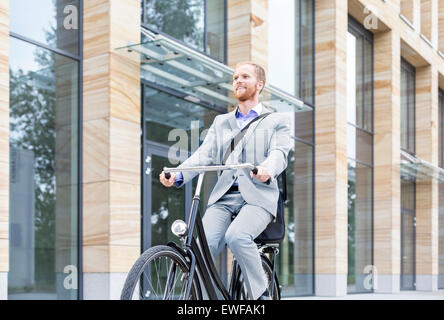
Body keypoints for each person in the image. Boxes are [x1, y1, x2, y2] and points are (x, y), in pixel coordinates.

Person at [159, 61, 292, 300]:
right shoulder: (222, 122)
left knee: (237, 237)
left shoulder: (276, 120)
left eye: (245, 76)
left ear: (259, 84)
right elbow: (204, 154)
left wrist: (266, 169)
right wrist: (178, 174)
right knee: (201, 249)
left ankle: (260, 295)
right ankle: (196, 298)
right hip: (224, 197)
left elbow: (279, 154)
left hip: (257, 197)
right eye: (235, 78)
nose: (238, 81)